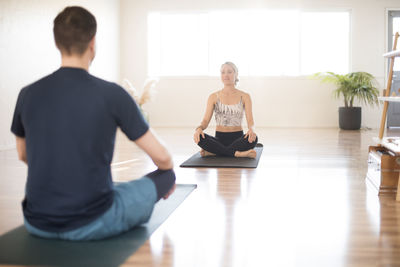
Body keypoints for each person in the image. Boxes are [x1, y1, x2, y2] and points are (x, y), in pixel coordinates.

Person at [10, 6, 176, 241]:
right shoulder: (112, 94)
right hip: (93, 221)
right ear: (93, 42)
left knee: (116, 188)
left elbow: (23, 154)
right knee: (167, 175)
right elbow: (163, 158)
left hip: (36, 222)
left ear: (57, 43)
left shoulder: (27, 94)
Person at [193, 62, 258, 158]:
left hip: (238, 138)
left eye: (229, 72)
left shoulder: (245, 96)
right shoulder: (213, 97)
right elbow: (205, 121)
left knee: (254, 138)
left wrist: (251, 130)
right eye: (223, 72)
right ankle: (237, 154)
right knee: (200, 138)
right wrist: (198, 129)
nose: (226, 75)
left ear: (236, 74)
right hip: (219, 138)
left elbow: (250, 121)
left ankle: (215, 152)